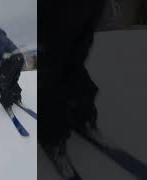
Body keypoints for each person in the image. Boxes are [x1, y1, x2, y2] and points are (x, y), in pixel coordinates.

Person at [39, 0, 106, 173]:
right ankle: (73, 121)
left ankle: (58, 132)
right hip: (78, 8)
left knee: (58, 68)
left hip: (71, 9)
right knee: (63, 65)